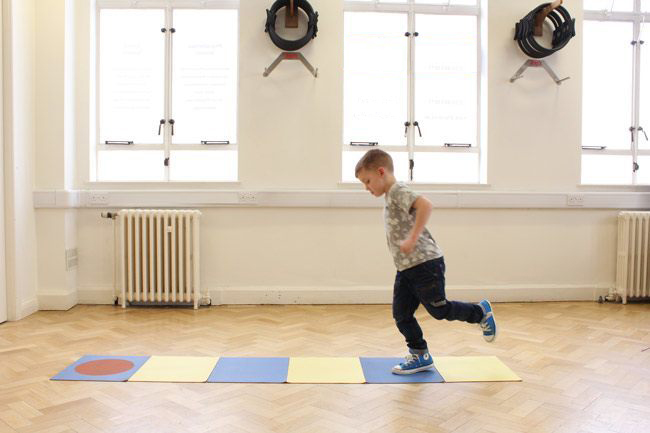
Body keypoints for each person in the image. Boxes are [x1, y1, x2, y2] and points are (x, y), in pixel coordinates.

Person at [355, 149, 497, 374]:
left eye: (367, 181)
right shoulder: (390, 195)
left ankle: (480, 313)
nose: (366, 188)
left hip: (425, 265)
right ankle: (420, 355)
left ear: (381, 172)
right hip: (406, 268)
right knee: (401, 315)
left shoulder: (397, 190)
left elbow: (425, 205)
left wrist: (412, 238)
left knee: (439, 310)